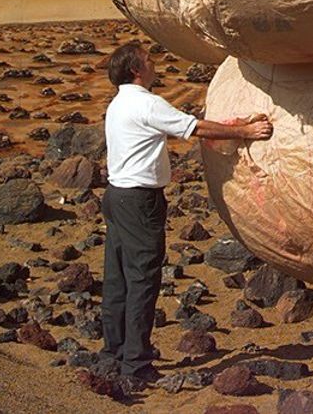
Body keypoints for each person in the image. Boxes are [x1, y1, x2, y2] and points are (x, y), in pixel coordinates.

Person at [100, 42, 274, 383]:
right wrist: (244, 132)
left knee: (117, 278)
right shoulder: (146, 103)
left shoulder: (118, 103)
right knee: (141, 281)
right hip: (138, 202)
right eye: (148, 60)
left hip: (116, 197)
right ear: (136, 69)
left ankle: (114, 352)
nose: (154, 64)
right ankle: (135, 364)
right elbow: (196, 128)